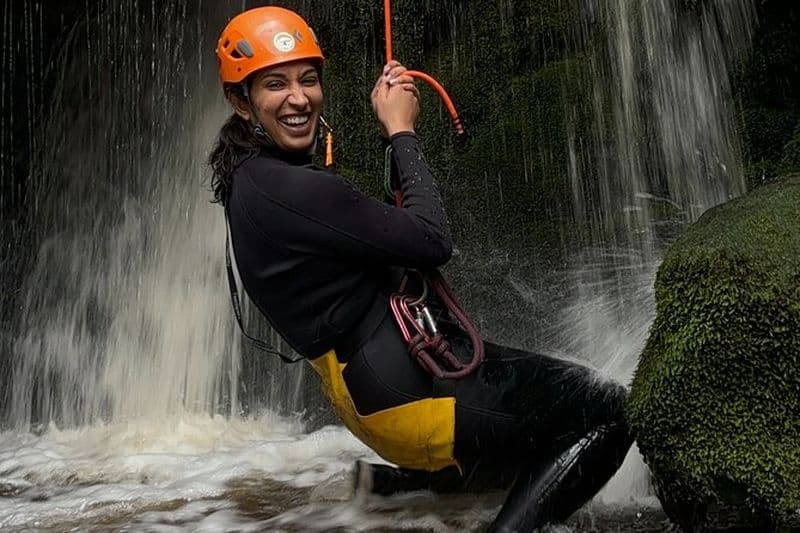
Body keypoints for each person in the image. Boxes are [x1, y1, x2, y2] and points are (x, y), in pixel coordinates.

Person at [210, 6, 634, 532]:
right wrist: (401, 131)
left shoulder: (251, 180)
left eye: (308, 80)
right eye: (276, 84)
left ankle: (392, 489)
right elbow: (432, 241)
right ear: (239, 100)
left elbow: (354, 230)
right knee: (610, 411)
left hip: (374, 390)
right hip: (409, 392)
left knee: (531, 427)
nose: (299, 98)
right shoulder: (291, 190)